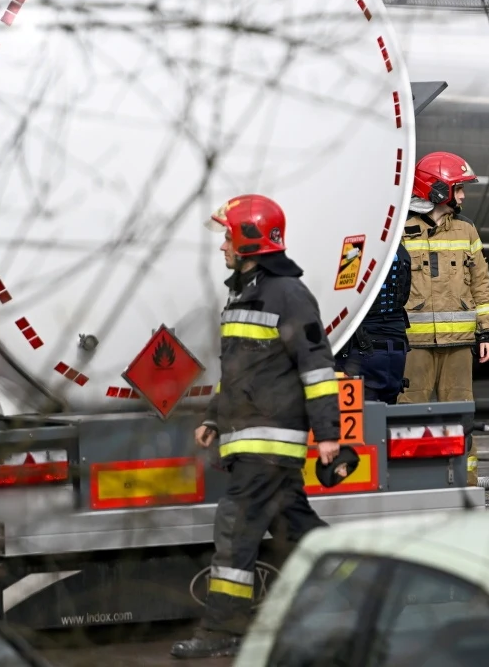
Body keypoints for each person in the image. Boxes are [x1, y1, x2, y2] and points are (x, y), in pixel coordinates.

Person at [171, 194, 341, 660]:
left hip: (270, 440)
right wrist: (213, 417)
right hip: (250, 436)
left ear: (249, 239)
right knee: (296, 529)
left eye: (228, 235)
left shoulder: (288, 295)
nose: (222, 244)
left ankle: (221, 629)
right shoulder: (245, 291)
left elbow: (318, 368)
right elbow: (243, 371)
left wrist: (329, 435)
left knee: (236, 529)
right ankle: (354, 591)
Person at [398, 151, 489, 486]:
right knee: (409, 417)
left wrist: (488, 332)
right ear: (437, 190)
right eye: (458, 189)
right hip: (414, 345)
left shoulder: (466, 229)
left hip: (458, 344)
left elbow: (481, 284)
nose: (463, 196)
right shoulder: (400, 228)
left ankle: (464, 485)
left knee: (460, 419)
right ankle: (412, 485)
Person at [334, 241, 411, 403]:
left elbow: (343, 296)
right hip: (396, 348)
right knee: (386, 416)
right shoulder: (399, 248)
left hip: (364, 347)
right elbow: (404, 296)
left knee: (362, 418)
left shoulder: (354, 248)